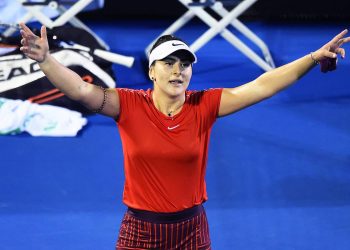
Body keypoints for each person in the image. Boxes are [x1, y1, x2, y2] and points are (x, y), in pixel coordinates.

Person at [19, 22, 349, 249]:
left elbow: (263, 85)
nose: (178, 70)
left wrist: (312, 57)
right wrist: (46, 60)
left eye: (185, 64)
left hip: (191, 231)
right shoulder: (127, 104)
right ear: (152, 71)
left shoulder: (205, 105)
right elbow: (79, 89)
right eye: (169, 63)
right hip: (140, 232)